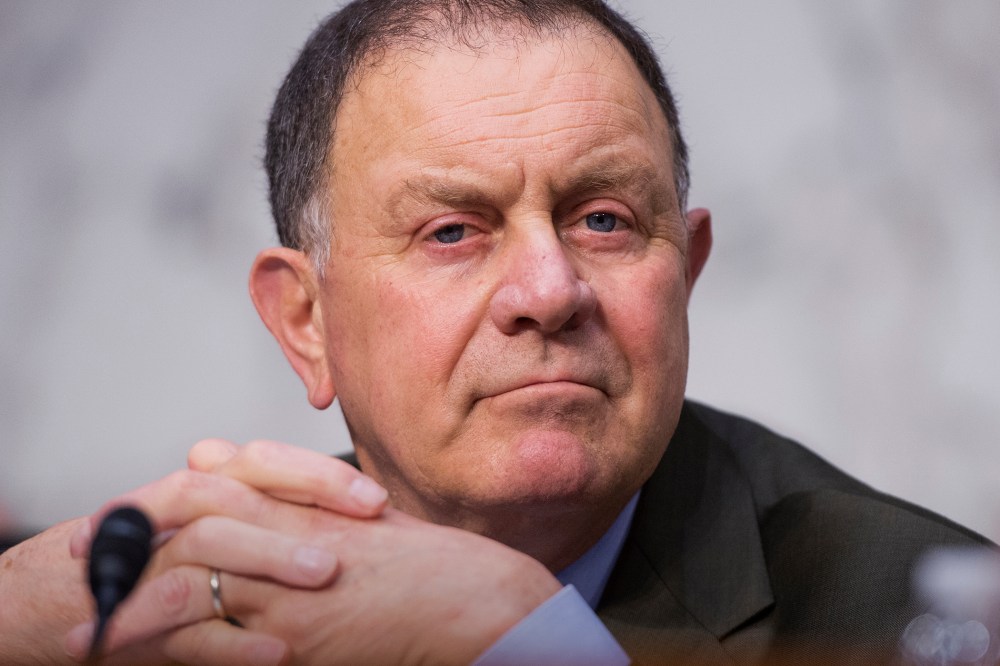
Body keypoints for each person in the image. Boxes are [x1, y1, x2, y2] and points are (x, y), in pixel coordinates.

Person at [0, 1, 991, 664]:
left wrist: (527, 642)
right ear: (305, 323)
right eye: (451, 232)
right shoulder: (169, 603)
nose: (548, 291)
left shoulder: (915, 616)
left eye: (603, 219)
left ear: (683, 274)